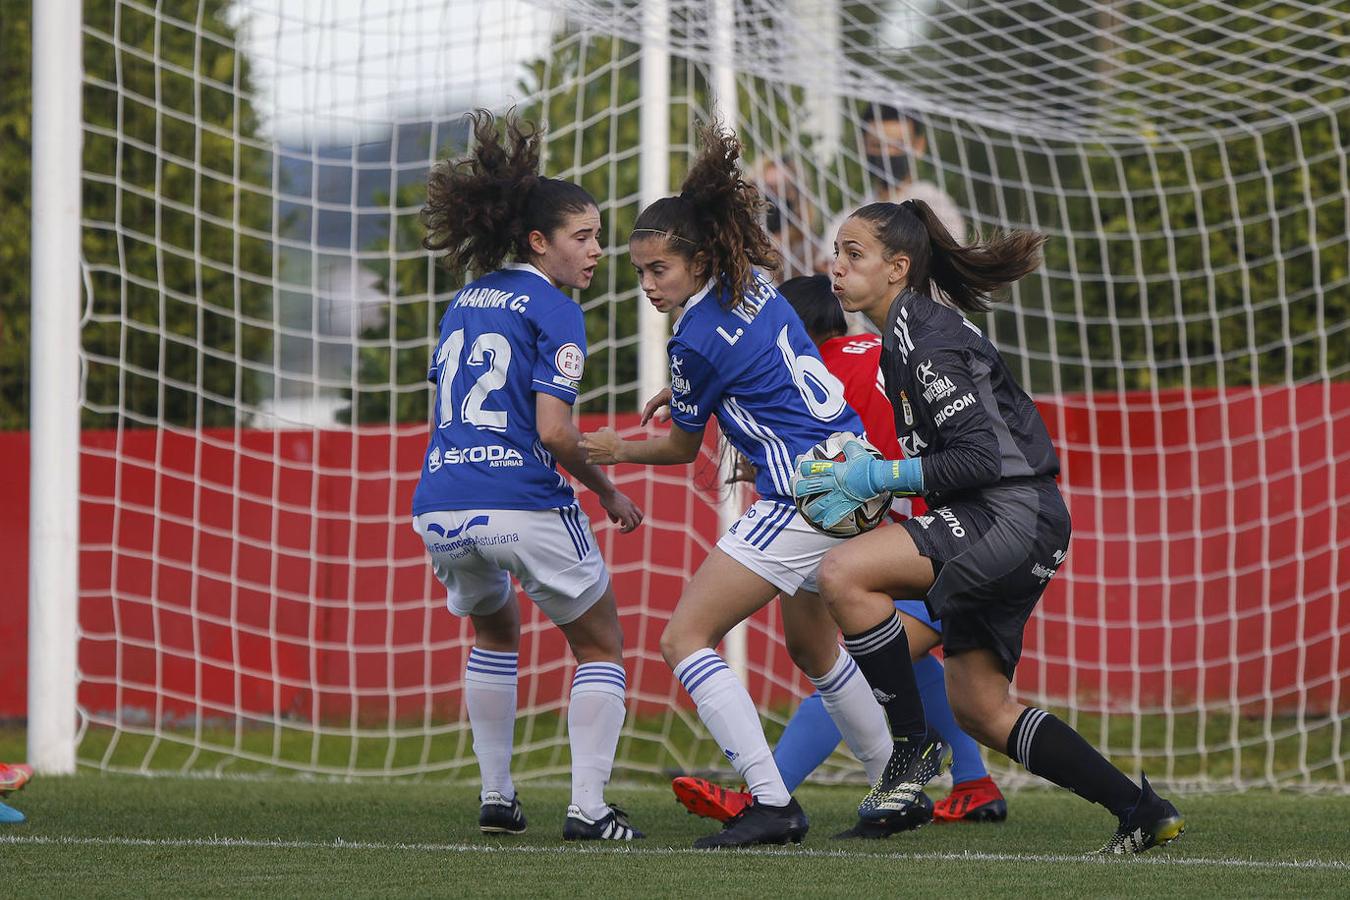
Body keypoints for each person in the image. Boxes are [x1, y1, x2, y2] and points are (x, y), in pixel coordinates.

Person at [795, 198, 1185, 854]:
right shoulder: (905, 335)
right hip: (1009, 516)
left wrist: (876, 476)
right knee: (979, 706)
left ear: (897, 268)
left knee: (842, 573)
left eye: (852, 254)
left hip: (1008, 513)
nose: (836, 267)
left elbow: (977, 457)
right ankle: (1140, 809)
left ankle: (912, 749)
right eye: (837, 253)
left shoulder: (924, 337)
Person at [580, 123, 894, 849]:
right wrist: (701, 398)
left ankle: (771, 800)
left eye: (659, 269)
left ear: (696, 259)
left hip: (806, 494)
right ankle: (893, 785)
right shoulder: (752, 284)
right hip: (855, 464)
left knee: (684, 637)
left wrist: (617, 448)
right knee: (813, 646)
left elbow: (683, 445)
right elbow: (750, 381)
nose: (649, 285)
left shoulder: (690, 338)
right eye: (639, 273)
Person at [671, 275, 1007, 829]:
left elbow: (829, 466)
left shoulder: (819, 377)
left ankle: (768, 793)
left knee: (852, 657)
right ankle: (971, 781)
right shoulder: (880, 351)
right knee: (895, 652)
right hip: (985, 525)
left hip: (941, 539)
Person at [414, 109, 644, 842]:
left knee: (494, 634)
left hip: (442, 506)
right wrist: (606, 488)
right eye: (584, 237)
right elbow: (552, 431)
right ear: (539, 242)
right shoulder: (555, 308)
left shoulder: (464, 301)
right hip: (519, 501)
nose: (598, 251)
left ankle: (497, 796)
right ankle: (589, 808)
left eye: (600, 236)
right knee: (602, 644)